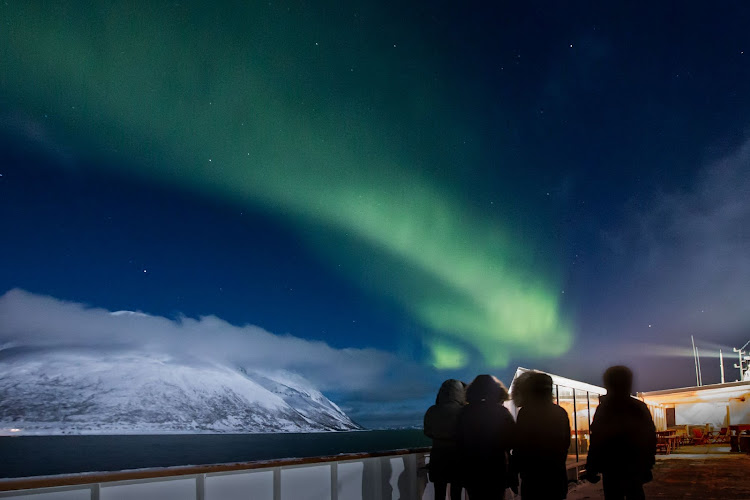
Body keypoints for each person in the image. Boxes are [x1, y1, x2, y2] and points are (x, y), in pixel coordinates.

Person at [584, 366, 656, 500]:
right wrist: (648, 465)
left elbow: (597, 439)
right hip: (634, 467)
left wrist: (592, 467)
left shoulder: (604, 408)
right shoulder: (639, 407)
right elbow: (650, 438)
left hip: (611, 468)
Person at [511, 371, 571, 499]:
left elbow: (520, 447)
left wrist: (514, 472)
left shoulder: (526, 413)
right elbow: (565, 444)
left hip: (533, 478)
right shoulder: (560, 412)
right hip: (556, 476)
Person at [457, 374, 516, 500]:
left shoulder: (464, 412)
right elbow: (512, 439)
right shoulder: (502, 412)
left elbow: (458, 439)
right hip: (496, 467)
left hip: (471, 468)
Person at [424, 379, 466, 500]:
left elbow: (427, 431)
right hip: (458, 457)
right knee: (456, 493)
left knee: (439, 493)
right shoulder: (463, 411)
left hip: (438, 457)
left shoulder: (432, 410)